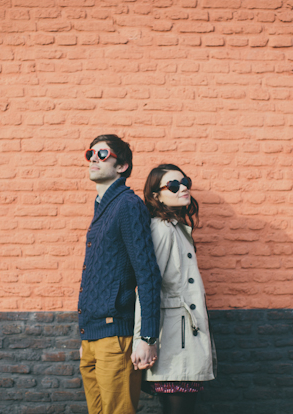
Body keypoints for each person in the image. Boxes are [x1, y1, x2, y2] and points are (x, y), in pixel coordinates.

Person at [78, 134, 163, 414]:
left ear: (122, 166)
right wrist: (87, 337)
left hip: (116, 338)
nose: (93, 159)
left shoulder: (127, 205)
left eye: (103, 154)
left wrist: (147, 338)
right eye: (91, 153)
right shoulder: (103, 207)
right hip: (93, 337)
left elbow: (148, 274)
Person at [132, 164, 216, 414]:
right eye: (173, 185)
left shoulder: (176, 227)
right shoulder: (163, 228)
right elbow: (148, 285)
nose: (183, 188)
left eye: (185, 181)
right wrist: (144, 339)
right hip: (172, 339)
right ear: (155, 195)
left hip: (182, 335)